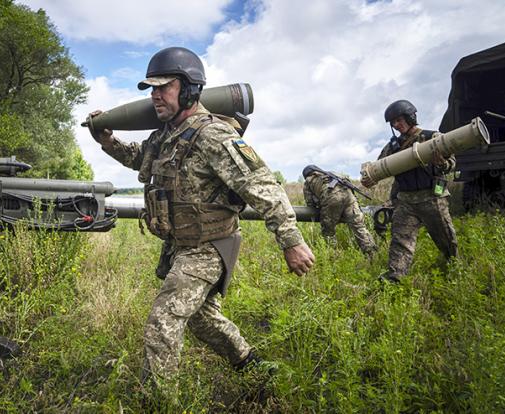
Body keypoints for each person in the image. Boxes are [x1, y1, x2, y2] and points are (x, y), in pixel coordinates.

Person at [87, 47, 315, 384]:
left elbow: (263, 186)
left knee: (163, 320)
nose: (155, 96)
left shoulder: (213, 135)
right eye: (152, 89)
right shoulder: (165, 135)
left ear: (190, 89)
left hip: (209, 247)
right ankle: (252, 367)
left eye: (163, 87)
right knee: (204, 320)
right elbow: (140, 158)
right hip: (181, 246)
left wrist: (291, 241)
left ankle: (159, 404)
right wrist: (106, 140)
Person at [361, 99, 458, 282]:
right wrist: (369, 177)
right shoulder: (393, 147)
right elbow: (378, 166)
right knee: (400, 241)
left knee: (446, 239)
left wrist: (443, 163)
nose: (397, 125)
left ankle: (455, 269)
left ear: (410, 117)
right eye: (393, 123)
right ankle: (395, 278)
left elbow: (452, 162)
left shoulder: (432, 137)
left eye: (399, 120)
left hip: (432, 198)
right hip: (405, 200)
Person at [302, 165, 377, 257]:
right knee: (359, 228)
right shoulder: (332, 174)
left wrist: (321, 208)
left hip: (332, 199)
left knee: (328, 232)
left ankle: (333, 257)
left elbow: (310, 203)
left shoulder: (309, 180)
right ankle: (372, 254)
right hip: (350, 197)